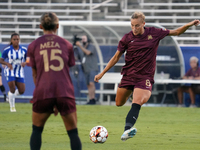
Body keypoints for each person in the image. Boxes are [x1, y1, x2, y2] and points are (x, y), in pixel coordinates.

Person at [94, 11, 200, 141]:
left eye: (137, 25)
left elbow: (177, 32)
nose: (134, 28)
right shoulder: (127, 38)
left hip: (145, 77)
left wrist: (189, 24)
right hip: (128, 75)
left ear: (143, 23)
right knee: (119, 103)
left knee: (136, 102)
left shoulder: (154, 33)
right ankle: (134, 94)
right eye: (132, 25)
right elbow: (116, 57)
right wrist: (102, 73)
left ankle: (127, 130)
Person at [27, 12, 81, 150]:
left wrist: (44, 94)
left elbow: (35, 74)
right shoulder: (67, 45)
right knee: (73, 133)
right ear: (57, 26)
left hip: (43, 90)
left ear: (40, 26)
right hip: (64, 91)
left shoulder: (33, 46)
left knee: (36, 130)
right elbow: (65, 72)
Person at [0, 33, 27, 112]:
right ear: (11, 40)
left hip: (19, 72)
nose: (16, 41)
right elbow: (1, 60)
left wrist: (25, 62)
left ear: (19, 40)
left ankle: (11, 95)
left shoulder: (24, 50)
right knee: (12, 88)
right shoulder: (7, 50)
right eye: (14, 39)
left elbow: (29, 58)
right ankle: (12, 107)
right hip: (10, 71)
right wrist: (7, 63)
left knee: (22, 91)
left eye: (17, 39)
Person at [75, 35, 98, 104]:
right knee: (88, 84)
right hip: (85, 69)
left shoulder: (91, 47)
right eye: (82, 39)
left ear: (88, 39)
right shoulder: (80, 49)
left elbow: (88, 52)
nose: (83, 40)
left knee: (91, 83)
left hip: (92, 68)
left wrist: (79, 46)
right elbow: (76, 58)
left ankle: (93, 99)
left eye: (84, 39)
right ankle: (90, 99)